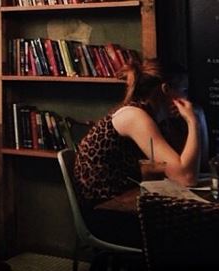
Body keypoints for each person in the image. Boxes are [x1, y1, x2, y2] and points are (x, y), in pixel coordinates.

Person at [73, 58, 203, 248]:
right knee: (193, 232)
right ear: (166, 89)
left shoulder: (153, 115)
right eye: (184, 90)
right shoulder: (134, 116)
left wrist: (199, 117)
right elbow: (186, 177)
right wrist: (193, 122)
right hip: (108, 214)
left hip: (131, 205)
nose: (187, 98)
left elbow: (193, 166)